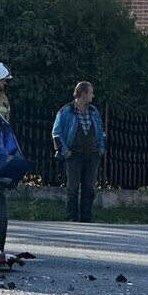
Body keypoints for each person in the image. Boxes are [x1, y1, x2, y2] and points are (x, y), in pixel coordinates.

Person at [52, 81, 106, 223]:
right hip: (74, 155)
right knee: (73, 188)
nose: (93, 96)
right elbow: (56, 133)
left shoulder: (93, 111)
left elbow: (101, 132)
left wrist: (100, 150)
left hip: (92, 155)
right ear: (82, 94)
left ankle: (86, 217)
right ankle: (72, 216)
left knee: (90, 188)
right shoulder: (65, 112)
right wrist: (65, 152)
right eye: (91, 93)